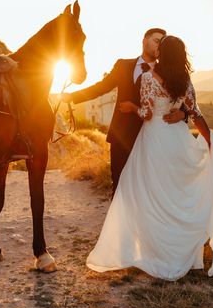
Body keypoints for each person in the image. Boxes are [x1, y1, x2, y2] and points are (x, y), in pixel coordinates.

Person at [86, 36, 213, 280]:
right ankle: (183, 253)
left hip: (154, 141)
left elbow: (148, 113)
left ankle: (157, 250)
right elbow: (195, 114)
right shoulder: (185, 81)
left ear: (163, 53)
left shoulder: (149, 78)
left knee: (153, 195)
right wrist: (210, 140)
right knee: (177, 193)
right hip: (178, 141)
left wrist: (131, 107)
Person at [61, 28, 185, 194]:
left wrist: (184, 114)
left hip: (151, 137)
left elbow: (181, 97)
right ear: (144, 40)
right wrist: (72, 97)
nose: (159, 46)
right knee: (118, 184)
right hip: (121, 136)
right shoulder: (123, 65)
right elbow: (101, 88)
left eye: (162, 43)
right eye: (156, 40)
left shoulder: (166, 72)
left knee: (147, 189)